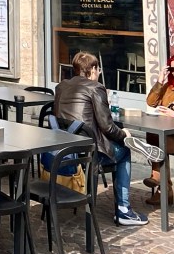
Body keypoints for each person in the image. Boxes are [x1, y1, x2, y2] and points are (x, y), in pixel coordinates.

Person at [54, 51, 147, 226]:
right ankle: (124, 210)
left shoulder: (61, 86)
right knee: (125, 151)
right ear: (92, 70)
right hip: (89, 153)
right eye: (98, 69)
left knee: (116, 145)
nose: (99, 73)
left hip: (66, 150)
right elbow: (108, 127)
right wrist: (124, 135)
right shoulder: (95, 88)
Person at [143, 55, 174, 206]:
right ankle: (164, 188)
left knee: (157, 140)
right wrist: (160, 80)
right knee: (154, 135)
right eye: (171, 69)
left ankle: (161, 184)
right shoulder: (167, 88)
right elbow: (150, 102)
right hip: (167, 135)